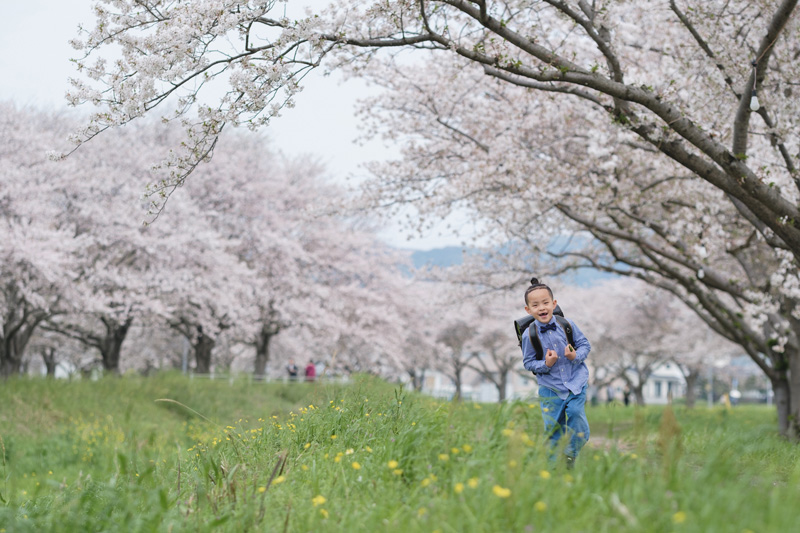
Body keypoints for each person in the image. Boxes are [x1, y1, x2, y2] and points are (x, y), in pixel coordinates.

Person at [521, 277, 591, 467]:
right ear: (528, 310)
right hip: (550, 388)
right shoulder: (529, 335)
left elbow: (585, 344)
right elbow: (528, 362)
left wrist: (574, 356)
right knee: (553, 430)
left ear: (554, 303)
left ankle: (570, 455)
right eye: (535, 305)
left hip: (575, 381)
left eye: (545, 303)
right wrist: (546, 363)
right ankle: (553, 470)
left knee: (577, 416)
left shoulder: (567, 325)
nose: (541, 308)